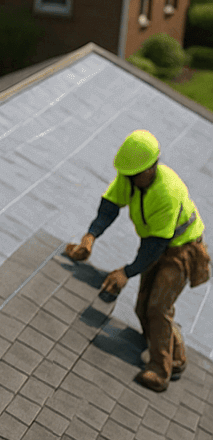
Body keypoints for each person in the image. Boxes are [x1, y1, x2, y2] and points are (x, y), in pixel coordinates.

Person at [64, 130, 207, 391]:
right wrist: (90, 237)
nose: (130, 180)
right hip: (156, 243)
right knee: (143, 308)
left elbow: (155, 247)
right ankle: (176, 356)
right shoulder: (131, 177)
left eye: (136, 175)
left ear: (152, 167)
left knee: (158, 308)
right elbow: (109, 207)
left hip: (181, 250)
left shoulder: (167, 191)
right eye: (128, 175)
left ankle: (160, 371)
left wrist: (125, 272)